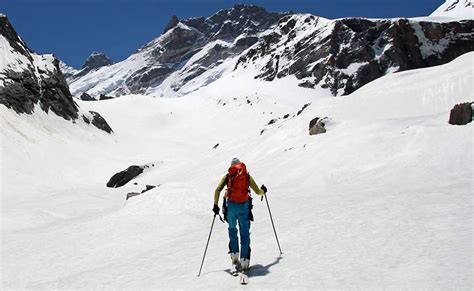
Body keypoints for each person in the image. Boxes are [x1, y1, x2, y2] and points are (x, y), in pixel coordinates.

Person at [213, 157, 267, 273]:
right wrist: (263, 191)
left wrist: (215, 205)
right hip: (244, 207)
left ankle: (234, 256)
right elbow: (257, 192)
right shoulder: (246, 176)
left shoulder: (228, 176)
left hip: (231, 207)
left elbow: (217, 190)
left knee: (232, 230)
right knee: (245, 234)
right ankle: (244, 261)